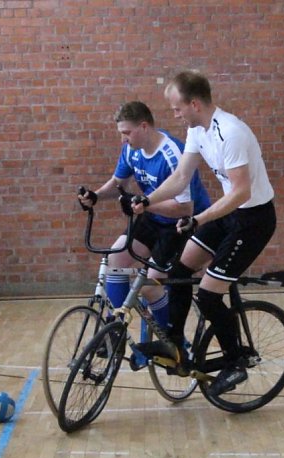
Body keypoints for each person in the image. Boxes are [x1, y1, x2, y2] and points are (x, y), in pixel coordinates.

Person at [132, 70, 277, 397]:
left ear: (194, 103)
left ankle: (235, 361)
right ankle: (175, 345)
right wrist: (148, 198)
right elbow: (181, 177)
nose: (174, 114)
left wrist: (198, 219)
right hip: (228, 214)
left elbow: (241, 192)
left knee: (209, 294)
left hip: (253, 219)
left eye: (176, 107)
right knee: (179, 271)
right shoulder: (197, 130)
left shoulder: (232, 133)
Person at [78, 101, 211, 358]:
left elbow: (184, 208)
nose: (123, 139)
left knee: (149, 284)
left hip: (181, 224)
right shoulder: (132, 150)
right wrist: (96, 195)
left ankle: (175, 344)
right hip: (152, 215)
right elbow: (118, 182)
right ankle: (116, 328)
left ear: (144, 126)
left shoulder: (172, 154)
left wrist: (145, 205)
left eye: (126, 133)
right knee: (116, 256)